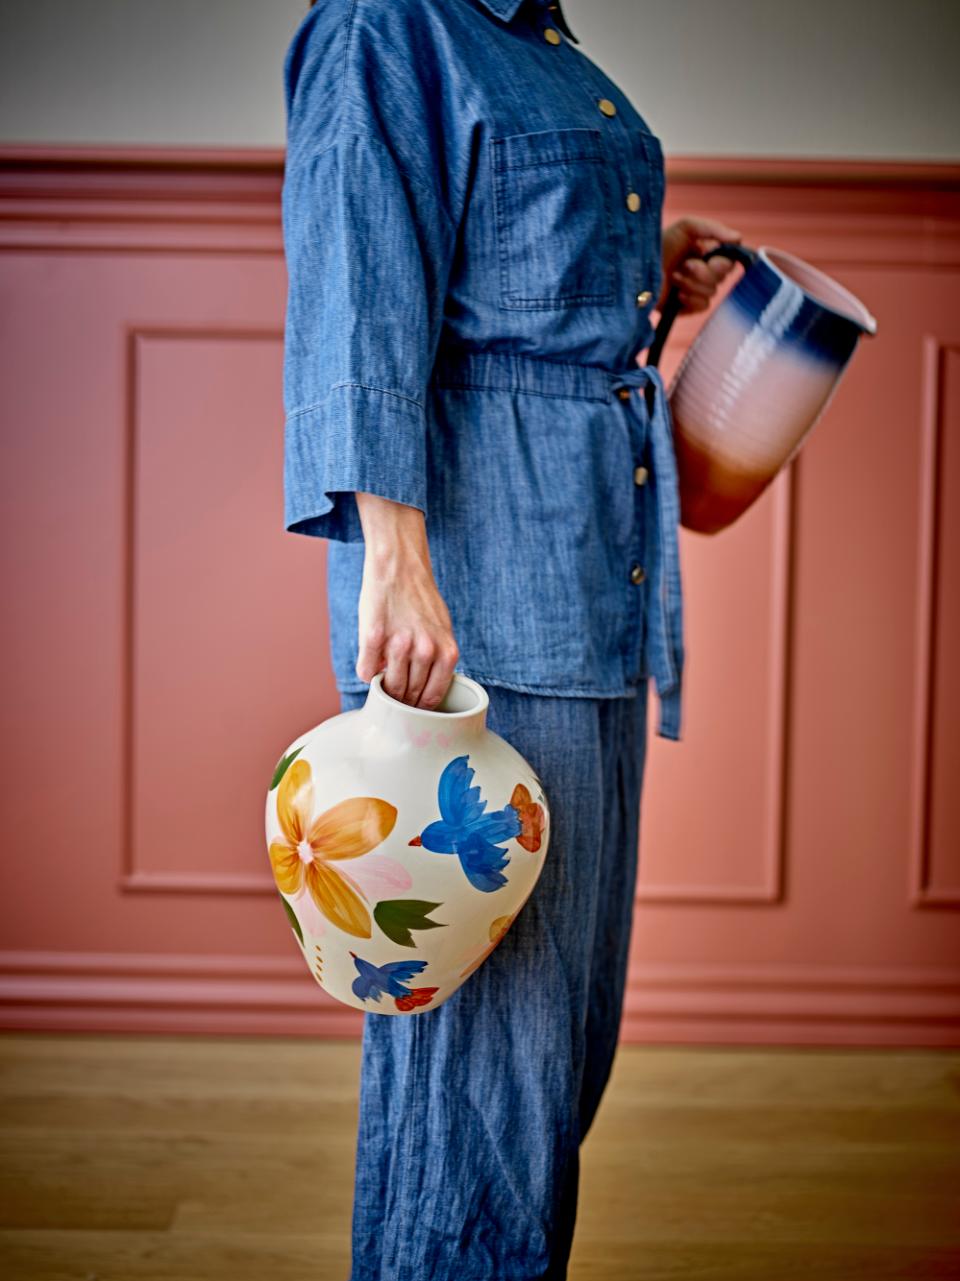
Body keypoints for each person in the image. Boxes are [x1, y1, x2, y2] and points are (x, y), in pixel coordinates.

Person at [280, 1, 740, 1276]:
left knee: (560, 1035)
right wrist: (397, 563)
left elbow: (509, 276)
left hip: (592, 572)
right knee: (489, 1057)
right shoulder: (389, 24)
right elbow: (359, 296)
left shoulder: (541, 42)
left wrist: (646, 267)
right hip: (481, 594)